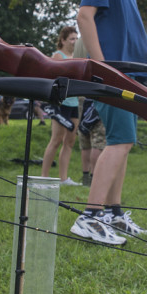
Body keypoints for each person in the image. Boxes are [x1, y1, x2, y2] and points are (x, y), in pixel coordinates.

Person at [70, 0, 147, 245]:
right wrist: (102, 66)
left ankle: (113, 214)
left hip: (132, 75)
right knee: (118, 142)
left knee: (124, 140)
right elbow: (84, 15)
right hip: (114, 75)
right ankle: (90, 217)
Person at [41, 26, 82, 184]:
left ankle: (64, 178)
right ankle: (44, 177)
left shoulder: (77, 56)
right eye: (72, 38)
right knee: (56, 139)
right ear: (63, 40)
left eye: (76, 38)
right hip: (60, 103)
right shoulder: (58, 56)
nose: (75, 41)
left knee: (70, 141)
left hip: (73, 102)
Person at [77, 99, 106, 186]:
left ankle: (86, 178)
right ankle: (94, 178)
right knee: (98, 141)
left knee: (85, 138)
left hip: (82, 98)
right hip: (99, 97)